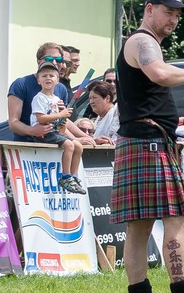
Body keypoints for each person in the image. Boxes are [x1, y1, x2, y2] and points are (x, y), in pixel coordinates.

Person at [110, 0, 184, 293]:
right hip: (149, 143)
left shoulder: (144, 43)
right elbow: (160, 74)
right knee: (176, 221)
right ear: (149, 9)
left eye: (178, 14)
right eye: (169, 12)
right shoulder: (143, 41)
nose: (174, 19)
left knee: (138, 226)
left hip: (142, 138)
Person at [31, 61, 86, 194]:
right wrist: (61, 114)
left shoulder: (57, 99)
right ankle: (65, 176)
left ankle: (73, 176)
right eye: (44, 76)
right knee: (69, 145)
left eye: (51, 76)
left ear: (57, 81)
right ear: (38, 80)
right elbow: (41, 118)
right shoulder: (39, 98)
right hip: (43, 132)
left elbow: (60, 125)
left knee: (78, 146)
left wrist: (62, 118)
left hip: (55, 131)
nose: (48, 78)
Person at [7, 43, 82, 141]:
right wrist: (32, 130)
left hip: (55, 146)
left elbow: (61, 121)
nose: (55, 63)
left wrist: (83, 138)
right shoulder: (21, 84)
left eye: (59, 60)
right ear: (39, 61)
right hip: (27, 147)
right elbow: (13, 123)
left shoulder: (61, 88)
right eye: (49, 59)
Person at [87, 80, 120, 146]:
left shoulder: (117, 114)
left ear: (107, 98)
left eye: (94, 98)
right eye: (90, 98)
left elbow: (115, 141)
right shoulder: (98, 119)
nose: (91, 102)